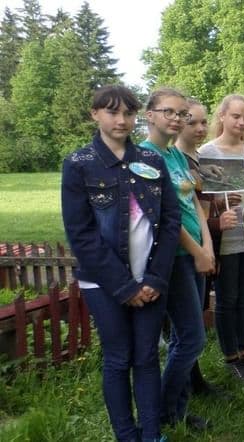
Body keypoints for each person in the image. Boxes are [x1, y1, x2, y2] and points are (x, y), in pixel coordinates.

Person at [62, 85, 181, 442]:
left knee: (146, 358)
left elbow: (170, 220)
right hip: (103, 284)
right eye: (112, 112)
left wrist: (156, 278)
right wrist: (124, 287)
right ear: (94, 114)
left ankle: (151, 434)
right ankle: (126, 435)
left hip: (150, 280)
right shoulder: (79, 165)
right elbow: (81, 234)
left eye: (128, 113)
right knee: (118, 358)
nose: (121, 120)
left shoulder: (152, 161)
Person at [140, 87, 213, 431]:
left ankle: (177, 410)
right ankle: (166, 413)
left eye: (181, 114)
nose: (177, 119)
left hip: (196, 254)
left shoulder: (177, 157)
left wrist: (208, 246)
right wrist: (197, 251)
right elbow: (164, 214)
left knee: (186, 338)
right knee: (192, 338)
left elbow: (195, 204)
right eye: (169, 112)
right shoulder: (143, 157)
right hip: (173, 257)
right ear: (149, 114)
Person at [198, 94, 244, 381]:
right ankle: (231, 357)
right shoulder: (207, 152)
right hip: (226, 236)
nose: (241, 122)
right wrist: (219, 205)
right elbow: (202, 201)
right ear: (223, 117)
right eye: (236, 116)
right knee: (227, 298)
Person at [174, 97, 226, 399]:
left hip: (205, 244)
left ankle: (194, 379)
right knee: (187, 322)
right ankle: (185, 384)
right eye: (191, 121)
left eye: (203, 121)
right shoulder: (178, 160)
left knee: (198, 310)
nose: (199, 127)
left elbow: (206, 204)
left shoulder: (199, 159)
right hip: (186, 249)